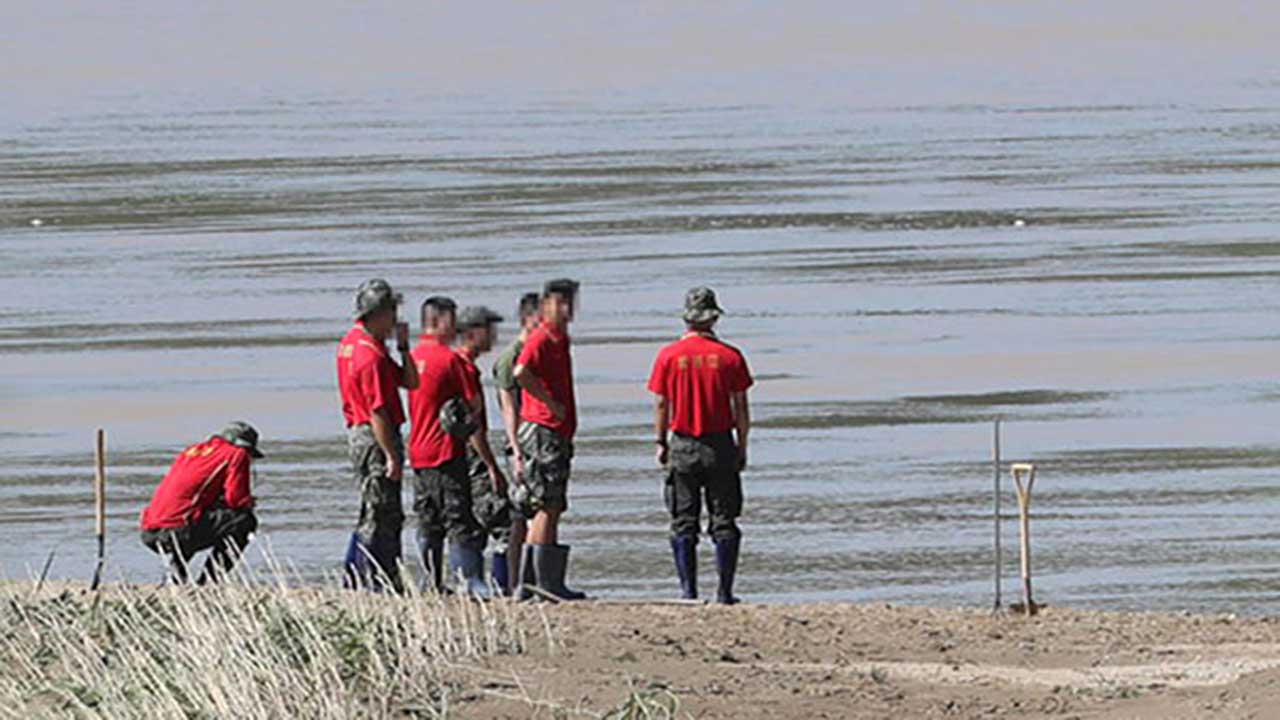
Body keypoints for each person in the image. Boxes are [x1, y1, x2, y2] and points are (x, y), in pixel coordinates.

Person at [647, 287, 753, 604]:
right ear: (714, 318)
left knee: (683, 521)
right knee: (724, 521)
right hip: (720, 443)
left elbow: (661, 405)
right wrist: (743, 445)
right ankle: (724, 592)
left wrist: (660, 441)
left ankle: (688, 592)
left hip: (682, 444)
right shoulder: (730, 357)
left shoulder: (667, 356)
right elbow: (741, 408)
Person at [337, 279, 419, 592]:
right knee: (380, 511)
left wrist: (403, 347)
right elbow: (378, 411)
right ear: (378, 314)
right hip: (373, 436)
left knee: (375, 508)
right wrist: (392, 455)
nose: (396, 319)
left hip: (364, 433)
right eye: (392, 313)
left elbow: (410, 382)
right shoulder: (368, 355)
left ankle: (364, 577)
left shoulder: (358, 343)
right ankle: (371, 579)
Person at [406, 296, 490, 595]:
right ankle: (469, 581)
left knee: (428, 520)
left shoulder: (413, 357)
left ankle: (430, 581)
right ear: (439, 321)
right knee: (458, 518)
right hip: (445, 449)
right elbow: (474, 405)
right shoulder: (450, 359)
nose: (456, 327)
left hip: (417, 450)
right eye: (452, 320)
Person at [512, 278, 586, 600]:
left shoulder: (559, 337)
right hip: (543, 429)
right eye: (560, 303)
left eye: (570, 303)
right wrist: (548, 402)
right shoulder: (542, 336)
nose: (566, 310)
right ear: (545, 306)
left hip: (553, 429)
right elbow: (520, 372)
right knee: (547, 504)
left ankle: (531, 584)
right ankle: (544, 585)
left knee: (549, 504)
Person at [139, 421, 264, 584]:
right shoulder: (236, 454)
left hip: (151, 532)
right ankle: (209, 582)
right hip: (178, 532)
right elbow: (236, 499)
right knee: (244, 521)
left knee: (193, 517)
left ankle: (174, 577)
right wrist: (248, 503)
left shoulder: (191, 451)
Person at [455, 305, 516, 594]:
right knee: (502, 521)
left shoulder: (460, 364)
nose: (493, 336)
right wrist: (491, 466)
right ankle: (503, 585)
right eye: (488, 329)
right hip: (472, 457)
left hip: (457, 456)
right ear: (472, 333)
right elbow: (472, 424)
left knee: (470, 522)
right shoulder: (464, 368)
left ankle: (473, 581)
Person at [488, 292, 540, 593]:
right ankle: (521, 583)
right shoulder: (511, 358)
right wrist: (517, 452)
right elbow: (509, 408)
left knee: (527, 514)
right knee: (524, 514)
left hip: (531, 443)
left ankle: (523, 582)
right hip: (520, 445)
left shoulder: (533, 353)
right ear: (526, 319)